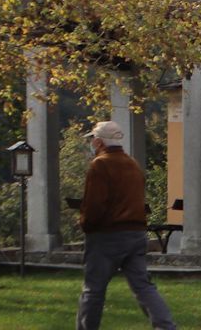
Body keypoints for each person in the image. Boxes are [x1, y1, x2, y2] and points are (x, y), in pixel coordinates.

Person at [76, 120, 177, 330]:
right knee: (143, 286)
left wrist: (85, 224)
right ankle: (166, 326)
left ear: (98, 142)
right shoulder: (132, 164)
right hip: (136, 234)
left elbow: (95, 204)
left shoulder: (100, 165)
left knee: (93, 289)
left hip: (107, 235)